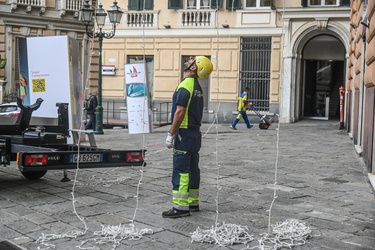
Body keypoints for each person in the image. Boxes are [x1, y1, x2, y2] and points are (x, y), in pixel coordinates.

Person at [163, 56, 213, 218]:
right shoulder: (198, 86)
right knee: (193, 169)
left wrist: (171, 133)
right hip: (194, 133)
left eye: (193, 60)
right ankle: (193, 202)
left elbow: (180, 111)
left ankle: (180, 207)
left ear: (193, 68)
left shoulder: (185, 85)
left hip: (183, 133)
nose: (189, 60)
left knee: (181, 169)